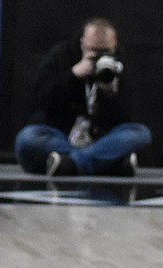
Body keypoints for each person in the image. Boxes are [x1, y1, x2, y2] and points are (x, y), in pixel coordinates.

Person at [14, 16, 152, 177]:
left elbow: (128, 117)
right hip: (62, 136)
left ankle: (70, 164)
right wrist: (73, 75)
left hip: (102, 137)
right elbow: (41, 101)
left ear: (114, 46)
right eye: (93, 51)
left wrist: (110, 95)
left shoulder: (121, 64)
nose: (99, 57)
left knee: (140, 133)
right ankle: (104, 162)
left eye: (105, 52)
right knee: (28, 138)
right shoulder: (61, 56)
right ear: (82, 44)